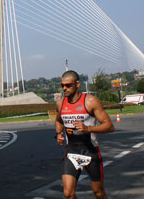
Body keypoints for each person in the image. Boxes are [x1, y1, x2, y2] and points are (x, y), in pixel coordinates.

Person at [55, 70, 114, 199]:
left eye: (68, 85)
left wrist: (88, 128)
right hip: (72, 152)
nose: (64, 88)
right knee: (68, 193)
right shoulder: (60, 104)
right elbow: (59, 121)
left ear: (77, 84)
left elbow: (109, 126)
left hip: (90, 152)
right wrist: (59, 133)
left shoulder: (90, 101)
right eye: (62, 85)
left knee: (98, 192)